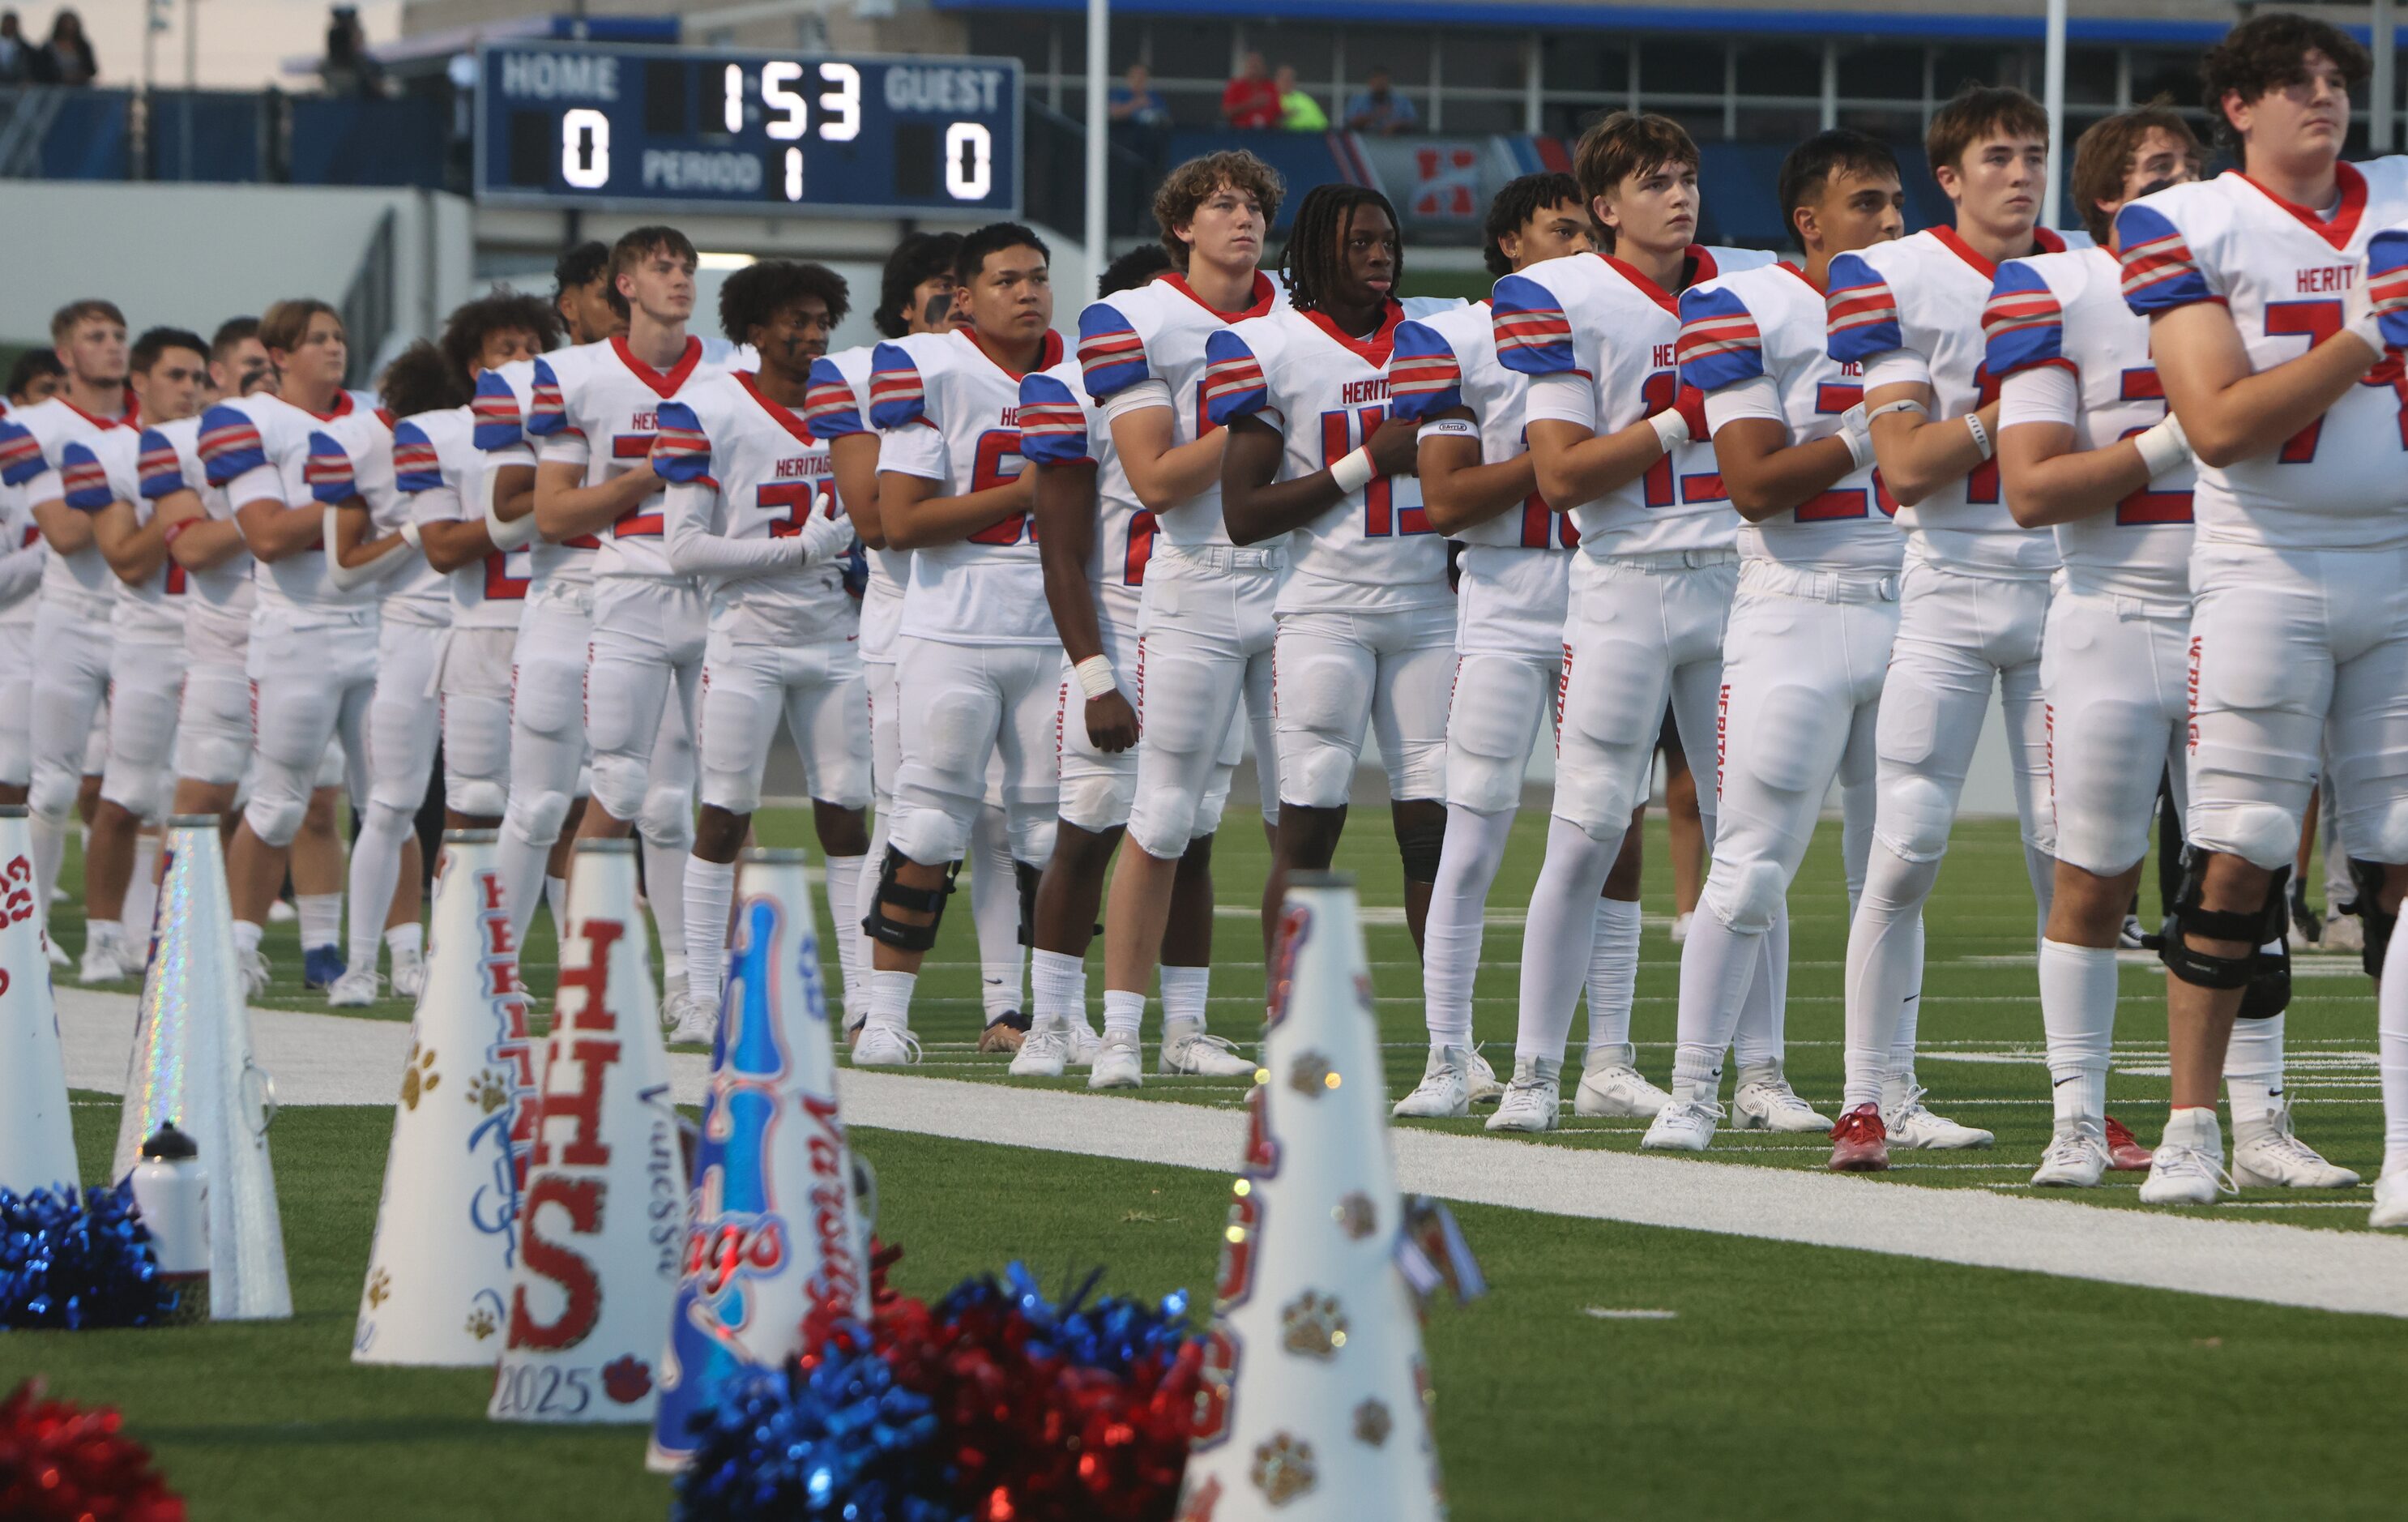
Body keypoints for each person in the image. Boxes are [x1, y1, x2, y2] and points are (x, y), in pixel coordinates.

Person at [1992, 102, 2352, 1191]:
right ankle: (2079, 1117)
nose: (2188, 192)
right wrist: (2173, 435)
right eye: (2159, 174)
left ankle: (2261, 1124)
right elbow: (2033, 488)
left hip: (2247, 604)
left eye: (2197, 171)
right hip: (2112, 610)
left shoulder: (2254, 285)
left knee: (2243, 869)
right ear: (2107, 197)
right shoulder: (2056, 290)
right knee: (2094, 878)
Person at [2113, 16, 2408, 1223]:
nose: (2322, 100)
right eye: (2295, 83)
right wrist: (2369, 335)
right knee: (2234, 852)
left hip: (2398, 562)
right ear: (2237, 105)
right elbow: (2222, 423)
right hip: (2264, 565)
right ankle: (2193, 1127)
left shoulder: (2396, 195)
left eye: (2337, 81)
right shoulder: (2181, 222)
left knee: (2401, 863)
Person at [1483, 114, 1771, 1135]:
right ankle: (1530, 1074)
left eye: (1687, 175)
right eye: (1654, 181)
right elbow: (1560, 473)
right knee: (1586, 827)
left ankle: (1761, 1074)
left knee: (1752, 833)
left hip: (1737, 579)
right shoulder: (1558, 292)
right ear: (1602, 207)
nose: (1679, 194)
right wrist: (1684, 420)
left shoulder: (1751, 281)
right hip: (1624, 576)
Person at [1821, 85, 2067, 1170]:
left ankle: (2083, 1104)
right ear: (1951, 178)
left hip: (2074, 590)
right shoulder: (1891, 276)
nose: (2020, 173)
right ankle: (1865, 1098)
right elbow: (1911, 462)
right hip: (1951, 585)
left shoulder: (2090, 271)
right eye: (1997, 156)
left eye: (2034, 154)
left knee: (2077, 858)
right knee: (1907, 847)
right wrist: (2021, 407)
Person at [1386, 172, 1659, 1121]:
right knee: (1474, 825)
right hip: (1504, 594)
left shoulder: (1633, 322)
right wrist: (1556, 467)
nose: (1584, 248)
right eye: (1561, 231)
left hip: (1611, 591)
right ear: (1510, 242)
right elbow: (1446, 500)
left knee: (1612, 822)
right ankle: (1446, 1055)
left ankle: (1608, 1057)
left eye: (1591, 232)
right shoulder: (1456, 337)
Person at [1654, 130, 1906, 1147]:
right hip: (1793, 603)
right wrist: (1874, 431)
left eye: (1896, 203)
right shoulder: (1743, 305)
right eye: (1866, 204)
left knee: (1896, 869)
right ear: (1807, 220)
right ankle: (1688, 1091)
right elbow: (1754, 485)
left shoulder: (1924, 304)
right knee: (1750, 865)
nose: (1889, 222)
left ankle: (1884, 1096)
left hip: (1907, 604)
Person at [1017, 243, 1257, 1088]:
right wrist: (1092, 674)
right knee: (1087, 828)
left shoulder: (1227, 383)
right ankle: (1050, 1017)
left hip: (1201, 620)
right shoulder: (1076, 389)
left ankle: (1183, 1026)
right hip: (1119, 624)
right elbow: (1059, 552)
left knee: (1188, 833)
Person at [1209, 185, 1458, 970]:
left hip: (1430, 609)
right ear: (1317, 249)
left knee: (1434, 834)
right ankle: (1290, 1023)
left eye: (1386, 240)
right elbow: (1243, 512)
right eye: (1358, 243)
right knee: (1308, 826)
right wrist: (1363, 464)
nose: (1379, 255)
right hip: (1325, 609)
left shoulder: (1440, 331)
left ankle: (1450, 1041)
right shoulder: (1266, 346)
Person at [1078, 151, 1288, 1073]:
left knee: (1301, 814)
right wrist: (1249, 423)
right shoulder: (1135, 317)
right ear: (1180, 226)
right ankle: (1121, 1031)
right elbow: (1157, 480)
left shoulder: (1302, 310)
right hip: (1196, 575)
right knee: (1161, 815)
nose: (1240, 219)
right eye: (1220, 205)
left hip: (1303, 579)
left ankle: (1257, 1026)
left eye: (1251, 205)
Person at [813, 231, 1028, 1046]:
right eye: (942, 287)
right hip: (909, 616)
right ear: (907, 302)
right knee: (912, 812)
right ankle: (873, 1000)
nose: (959, 301)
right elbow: (876, 520)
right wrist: (1017, 496)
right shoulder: (869, 372)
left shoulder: (1033, 368)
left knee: (1007, 819)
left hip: (1010, 612)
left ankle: (1005, 1006)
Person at [856, 222, 1064, 1065]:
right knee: (930, 820)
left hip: (1054, 633)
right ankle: (883, 1016)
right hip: (950, 629)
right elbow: (898, 521)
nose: (1026, 292)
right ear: (964, 298)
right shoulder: (930, 370)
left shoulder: (1082, 375)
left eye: (1038, 278)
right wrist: (1017, 494)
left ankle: (1053, 1015)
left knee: (1053, 830)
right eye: (1006, 279)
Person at [655, 260, 870, 1041]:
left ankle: (865, 997)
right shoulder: (709, 409)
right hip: (745, 640)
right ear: (754, 329)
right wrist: (798, 551)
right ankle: (703, 994)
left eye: (821, 320)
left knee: (848, 817)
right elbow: (682, 549)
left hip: (835, 639)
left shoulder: (848, 403)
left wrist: (852, 556)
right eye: (795, 321)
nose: (812, 335)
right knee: (721, 817)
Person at [530, 226, 720, 1028]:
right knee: (616, 787)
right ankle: (590, 973)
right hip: (627, 590)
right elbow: (549, 512)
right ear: (624, 285)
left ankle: (693, 979)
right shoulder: (579, 376)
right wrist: (648, 474)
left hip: (713, 593)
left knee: (691, 803)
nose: (679, 279)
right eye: (661, 267)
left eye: (686, 267)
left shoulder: (730, 370)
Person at [199, 297, 382, 996]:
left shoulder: (375, 415)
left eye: (338, 335)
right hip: (297, 624)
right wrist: (358, 502)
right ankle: (237, 949)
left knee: (386, 803)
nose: (333, 348)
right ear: (277, 355)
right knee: (277, 802)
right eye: (315, 339)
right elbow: (269, 536)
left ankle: (386, 952)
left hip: (374, 621)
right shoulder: (246, 418)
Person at [480, 246, 627, 955]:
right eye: (608, 292)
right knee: (537, 804)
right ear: (568, 303)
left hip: (654, 603)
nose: (624, 306)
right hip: (569, 594)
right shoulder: (528, 382)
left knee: (658, 805)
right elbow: (510, 513)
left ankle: (681, 983)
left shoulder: (699, 375)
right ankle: (488, 969)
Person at [56, 328, 211, 982]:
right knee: (123, 795)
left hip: (218, 636)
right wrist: (178, 501)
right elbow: (125, 559)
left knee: (204, 802)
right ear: (139, 382)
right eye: (176, 376)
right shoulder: (106, 450)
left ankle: (179, 935)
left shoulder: (222, 442)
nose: (190, 390)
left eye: (199, 378)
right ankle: (101, 936)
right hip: (148, 635)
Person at [317, 340, 464, 1006]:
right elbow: (345, 569)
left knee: (509, 804)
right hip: (406, 631)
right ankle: (362, 963)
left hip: (483, 626)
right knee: (390, 801)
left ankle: (455, 958)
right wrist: (414, 529)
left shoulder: (502, 435)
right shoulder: (363, 443)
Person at [394, 290, 559, 840]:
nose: (520, 358)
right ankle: (459, 930)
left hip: (565, 627)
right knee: (476, 804)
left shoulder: (571, 431)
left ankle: (573, 929)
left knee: (568, 805)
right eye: (505, 348)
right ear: (474, 365)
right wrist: (545, 505)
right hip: (483, 631)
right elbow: (441, 549)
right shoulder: (436, 433)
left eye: (532, 348)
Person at [1, 299, 133, 964]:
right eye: (95, 337)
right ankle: (30, 926)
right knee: (49, 783)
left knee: (143, 786)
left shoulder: (152, 423)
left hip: (143, 618)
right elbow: (66, 533)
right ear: (65, 353)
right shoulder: (31, 424)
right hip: (68, 616)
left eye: (117, 335)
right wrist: (132, 498)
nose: (111, 347)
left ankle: (133, 933)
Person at [1343, 68, 1418, 136]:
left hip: (1395, 143)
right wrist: (1376, 115)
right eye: (1377, 82)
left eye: (1384, 81)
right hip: (1364, 142)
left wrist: (1396, 125)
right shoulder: (1358, 100)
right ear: (1371, 83)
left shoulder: (1402, 101)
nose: (1380, 85)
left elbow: (1412, 121)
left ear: (1389, 83)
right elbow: (1351, 122)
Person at [1221, 52, 1281, 130]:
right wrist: (1251, 104)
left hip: (1267, 134)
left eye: (1257, 66)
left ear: (1264, 68)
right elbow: (1227, 112)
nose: (1255, 69)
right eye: (1252, 66)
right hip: (1242, 132)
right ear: (1246, 67)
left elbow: (1278, 113)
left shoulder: (1271, 87)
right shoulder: (1236, 86)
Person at [34, 9, 93, 86]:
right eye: (66, 23)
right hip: (54, 88)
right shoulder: (48, 48)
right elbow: (41, 70)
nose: (68, 27)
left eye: (71, 24)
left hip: (80, 89)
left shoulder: (83, 47)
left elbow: (91, 69)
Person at [1109, 63, 1170, 129]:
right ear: (1128, 77)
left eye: (1142, 76)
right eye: (1135, 76)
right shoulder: (1119, 94)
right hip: (1126, 131)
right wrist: (1135, 104)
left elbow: (1165, 119)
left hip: (1150, 133)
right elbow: (1113, 114)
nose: (1139, 79)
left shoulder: (1154, 96)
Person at [1275, 66, 1327, 133]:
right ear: (1277, 80)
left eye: (1291, 79)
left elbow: (1322, 123)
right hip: (1287, 136)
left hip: (1314, 135)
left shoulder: (1304, 98)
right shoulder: (1273, 98)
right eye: (1285, 79)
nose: (1288, 82)